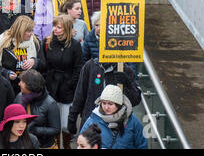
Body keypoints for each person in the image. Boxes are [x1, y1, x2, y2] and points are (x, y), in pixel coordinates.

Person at [39, 14, 84, 149]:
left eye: (59, 27)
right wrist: (46, 81)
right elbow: (43, 63)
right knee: (53, 121)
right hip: (51, 85)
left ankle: (66, 145)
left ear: (66, 29)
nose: (55, 30)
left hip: (67, 87)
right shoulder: (47, 42)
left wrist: (71, 84)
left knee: (66, 123)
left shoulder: (75, 45)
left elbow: (78, 68)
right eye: (54, 26)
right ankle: (56, 145)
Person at [67, 57, 142, 136]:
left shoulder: (125, 70)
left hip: (116, 124)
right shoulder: (90, 66)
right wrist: (72, 117)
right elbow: (80, 94)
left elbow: (135, 100)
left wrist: (128, 84)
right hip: (92, 121)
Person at [80, 85, 148, 149]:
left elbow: (142, 145)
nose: (106, 107)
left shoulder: (132, 121)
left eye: (110, 104)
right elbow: (82, 144)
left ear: (118, 105)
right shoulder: (92, 120)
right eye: (104, 103)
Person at [0, 15, 40, 95]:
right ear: (21, 31)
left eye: (32, 30)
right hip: (7, 86)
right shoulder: (3, 40)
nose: (31, 34)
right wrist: (7, 73)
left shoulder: (32, 41)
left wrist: (33, 61)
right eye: (29, 31)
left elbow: (41, 63)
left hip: (26, 85)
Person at [14, 69, 61, 149]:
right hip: (23, 143)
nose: (19, 84)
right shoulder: (20, 96)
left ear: (30, 86)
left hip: (43, 145)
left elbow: (56, 129)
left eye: (22, 82)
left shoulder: (50, 104)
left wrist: (34, 130)